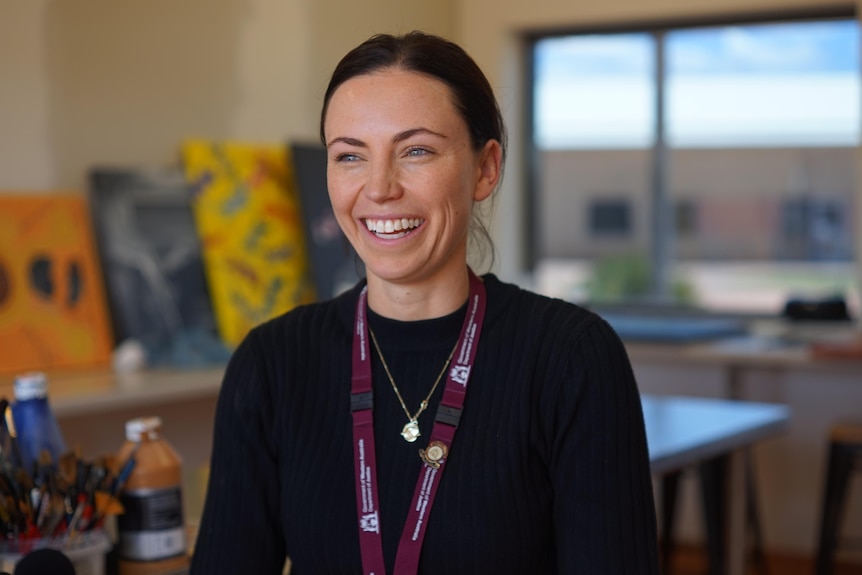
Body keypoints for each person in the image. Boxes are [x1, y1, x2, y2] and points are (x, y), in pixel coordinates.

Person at [190, 31, 659, 574]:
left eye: (416, 151)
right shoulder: (272, 363)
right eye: (349, 156)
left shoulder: (571, 358)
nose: (380, 187)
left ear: (485, 169)